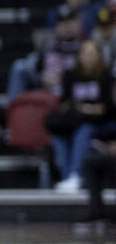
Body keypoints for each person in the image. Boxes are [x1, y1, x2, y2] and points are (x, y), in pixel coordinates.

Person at [46, 40, 112, 193]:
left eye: (92, 54)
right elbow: (64, 104)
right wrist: (88, 109)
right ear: (80, 56)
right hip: (76, 120)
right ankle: (67, 176)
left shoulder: (105, 75)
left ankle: (75, 175)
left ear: (98, 56)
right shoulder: (71, 75)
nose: (88, 57)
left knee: (84, 130)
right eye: (85, 53)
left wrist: (85, 108)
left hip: (100, 123)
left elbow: (106, 108)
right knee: (59, 133)